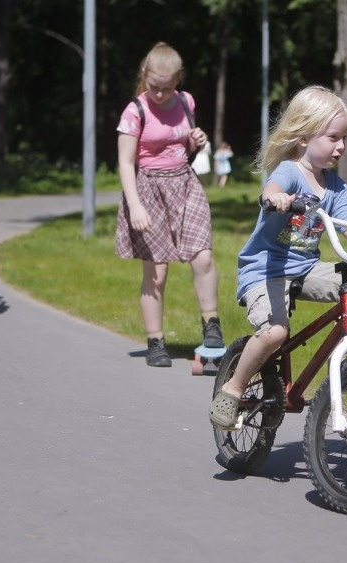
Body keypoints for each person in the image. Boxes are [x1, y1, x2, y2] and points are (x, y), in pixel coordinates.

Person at [208, 86, 347, 430]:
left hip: (306, 268)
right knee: (274, 334)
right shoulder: (289, 172)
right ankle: (233, 388)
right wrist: (277, 198)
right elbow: (271, 189)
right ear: (303, 137)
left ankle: (342, 369)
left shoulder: (336, 187)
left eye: (343, 138)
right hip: (266, 269)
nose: (340, 146)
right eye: (332, 137)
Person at [115, 42, 225, 367]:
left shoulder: (186, 101)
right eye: (154, 87)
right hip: (148, 190)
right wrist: (135, 206)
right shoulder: (134, 111)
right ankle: (155, 341)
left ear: (177, 80)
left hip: (185, 183)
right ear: (145, 76)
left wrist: (195, 142)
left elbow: (183, 146)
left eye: (167, 87)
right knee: (157, 272)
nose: (161, 94)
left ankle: (211, 327)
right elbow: (124, 163)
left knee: (202, 256)